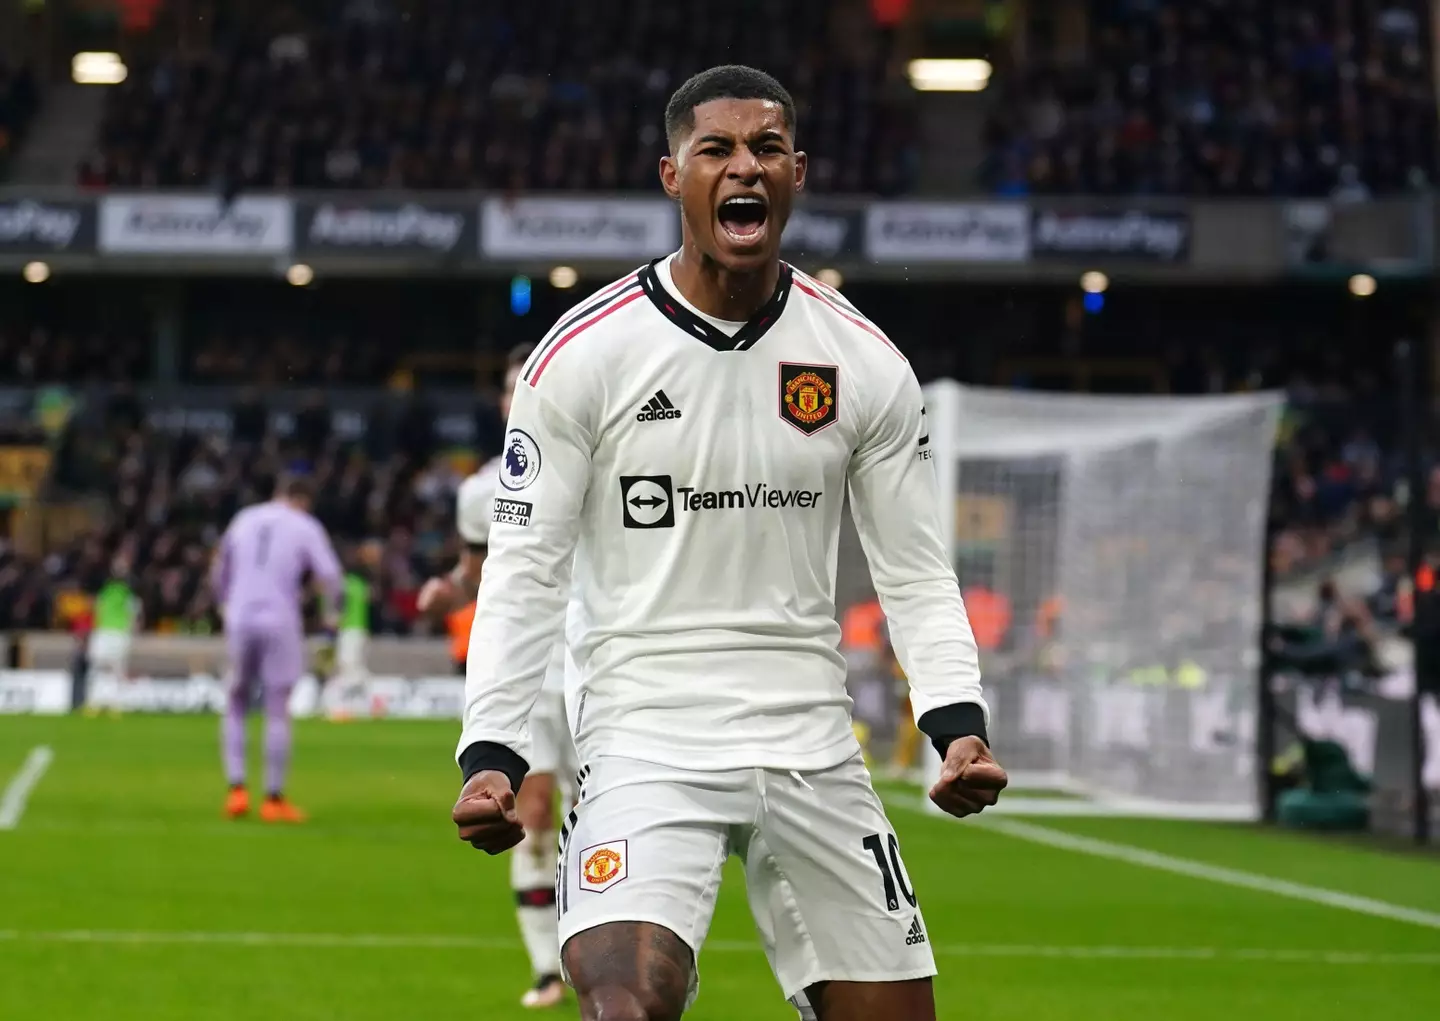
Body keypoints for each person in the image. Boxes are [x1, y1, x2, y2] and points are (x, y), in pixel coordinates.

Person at [452, 65, 1007, 1021]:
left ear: (797, 172)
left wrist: (958, 725)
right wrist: (491, 750)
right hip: (643, 732)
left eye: (766, 148)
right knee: (625, 1004)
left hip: (812, 738)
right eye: (716, 149)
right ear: (673, 174)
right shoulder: (584, 354)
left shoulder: (865, 363)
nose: (742, 166)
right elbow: (525, 569)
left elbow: (913, 567)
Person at [419, 342, 575, 1010]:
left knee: (608, 819)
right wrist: (452, 587)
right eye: (512, 388)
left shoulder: (602, 459)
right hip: (535, 673)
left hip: (611, 666)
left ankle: (602, 947)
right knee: (535, 814)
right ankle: (547, 965)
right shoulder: (481, 490)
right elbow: (483, 568)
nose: (521, 397)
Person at [212, 475, 342, 823]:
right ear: (303, 500)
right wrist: (331, 618)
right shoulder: (304, 525)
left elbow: (219, 569)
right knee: (276, 707)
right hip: (280, 619)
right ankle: (273, 798)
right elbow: (330, 575)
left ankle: (236, 790)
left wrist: (224, 604)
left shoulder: (244, 518)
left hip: (239, 616)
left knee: (236, 701)